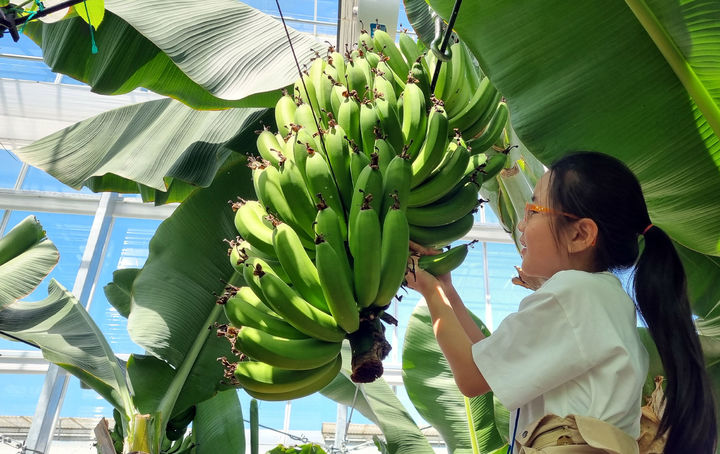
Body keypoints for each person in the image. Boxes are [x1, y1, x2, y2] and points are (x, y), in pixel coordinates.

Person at [405, 151, 717, 453]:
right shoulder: (603, 298)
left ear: (580, 235)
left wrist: (430, 292)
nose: (522, 226)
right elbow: (486, 363)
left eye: (534, 211)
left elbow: (471, 379)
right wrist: (446, 290)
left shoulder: (573, 293)